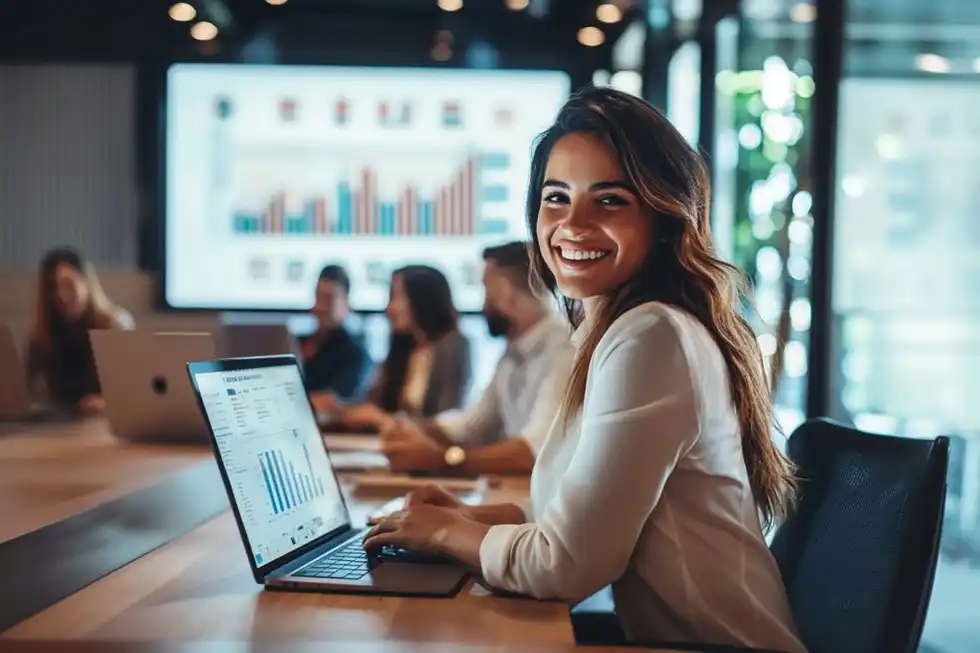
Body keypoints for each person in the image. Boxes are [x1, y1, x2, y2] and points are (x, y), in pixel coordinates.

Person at [362, 87, 806, 653]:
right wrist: (475, 517)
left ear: (665, 216)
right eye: (555, 198)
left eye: (610, 201)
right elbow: (589, 510)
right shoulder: (621, 330)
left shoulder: (651, 337)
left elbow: (564, 566)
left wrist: (450, 533)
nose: (572, 225)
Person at [381, 241, 573, 475]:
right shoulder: (514, 350)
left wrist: (443, 459)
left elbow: (536, 451)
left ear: (503, 291)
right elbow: (477, 424)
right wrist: (416, 430)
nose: (483, 305)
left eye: (485, 289)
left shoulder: (564, 350)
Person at [336, 265, 471, 430]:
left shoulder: (453, 347)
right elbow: (370, 404)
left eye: (397, 297)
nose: (389, 309)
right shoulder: (403, 348)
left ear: (422, 299)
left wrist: (382, 420)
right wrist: (336, 406)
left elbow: (446, 421)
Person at [25, 247, 134, 416]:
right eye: (53, 288)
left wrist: (107, 401)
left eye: (69, 285)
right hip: (59, 425)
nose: (62, 295)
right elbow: (29, 390)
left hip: (106, 423)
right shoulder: (42, 335)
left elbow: (134, 389)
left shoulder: (115, 326)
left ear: (86, 284)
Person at [303, 265, 373, 411]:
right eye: (318, 297)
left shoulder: (354, 351)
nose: (320, 306)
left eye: (328, 300)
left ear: (346, 303)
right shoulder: (300, 342)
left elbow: (334, 401)